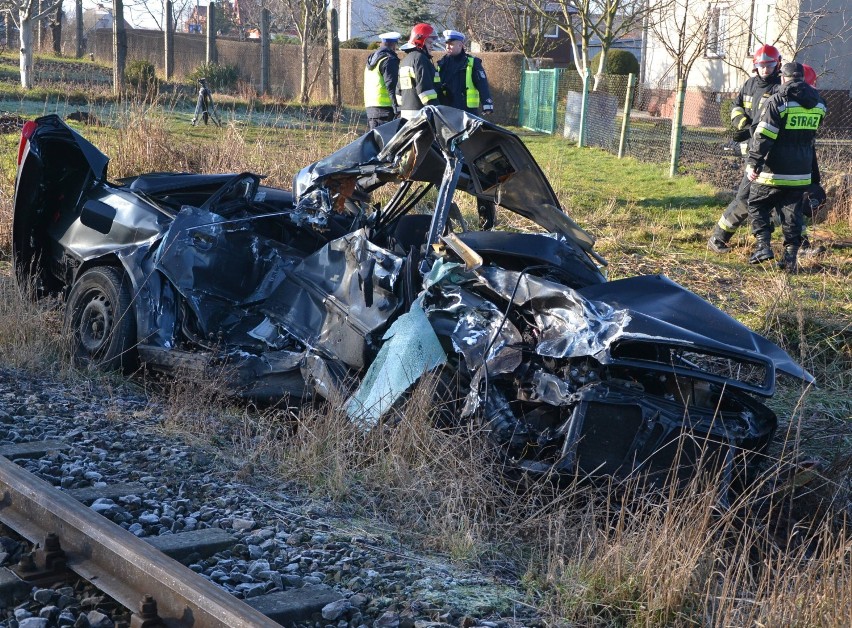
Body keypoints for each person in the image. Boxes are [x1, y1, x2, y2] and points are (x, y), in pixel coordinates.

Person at [746, 61, 826, 272]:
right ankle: (790, 258)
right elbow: (810, 139)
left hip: (774, 170)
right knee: (792, 213)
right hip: (800, 172)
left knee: (756, 203)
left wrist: (754, 163)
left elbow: (764, 136)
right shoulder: (819, 104)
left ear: (783, 77)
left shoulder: (778, 101)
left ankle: (763, 246)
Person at [707, 45, 782, 253]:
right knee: (746, 197)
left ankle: (793, 243)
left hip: (771, 149)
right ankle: (718, 238)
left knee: (783, 197)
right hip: (754, 152)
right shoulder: (749, 85)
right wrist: (744, 126)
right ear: (755, 66)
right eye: (761, 66)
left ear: (778, 65)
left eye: (769, 65)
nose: (765, 69)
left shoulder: (780, 88)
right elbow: (736, 108)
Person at [436, 30, 494, 116]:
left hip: (467, 110)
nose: (447, 47)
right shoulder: (442, 63)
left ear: (460, 45)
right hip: (446, 109)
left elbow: (482, 84)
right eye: (446, 44)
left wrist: (487, 104)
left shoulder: (472, 62)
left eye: (451, 44)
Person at [396, 23, 440, 121]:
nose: (431, 47)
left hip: (405, 113)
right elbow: (425, 89)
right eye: (429, 43)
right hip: (421, 113)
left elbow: (398, 91)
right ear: (420, 42)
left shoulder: (405, 60)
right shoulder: (421, 59)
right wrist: (436, 110)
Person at [363, 31, 401, 130]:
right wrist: (397, 108)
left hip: (371, 108)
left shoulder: (373, 60)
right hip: (385, 110)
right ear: (393, 45)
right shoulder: (389, 60)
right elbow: (392, 86)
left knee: (375, 142)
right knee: (386, 143)